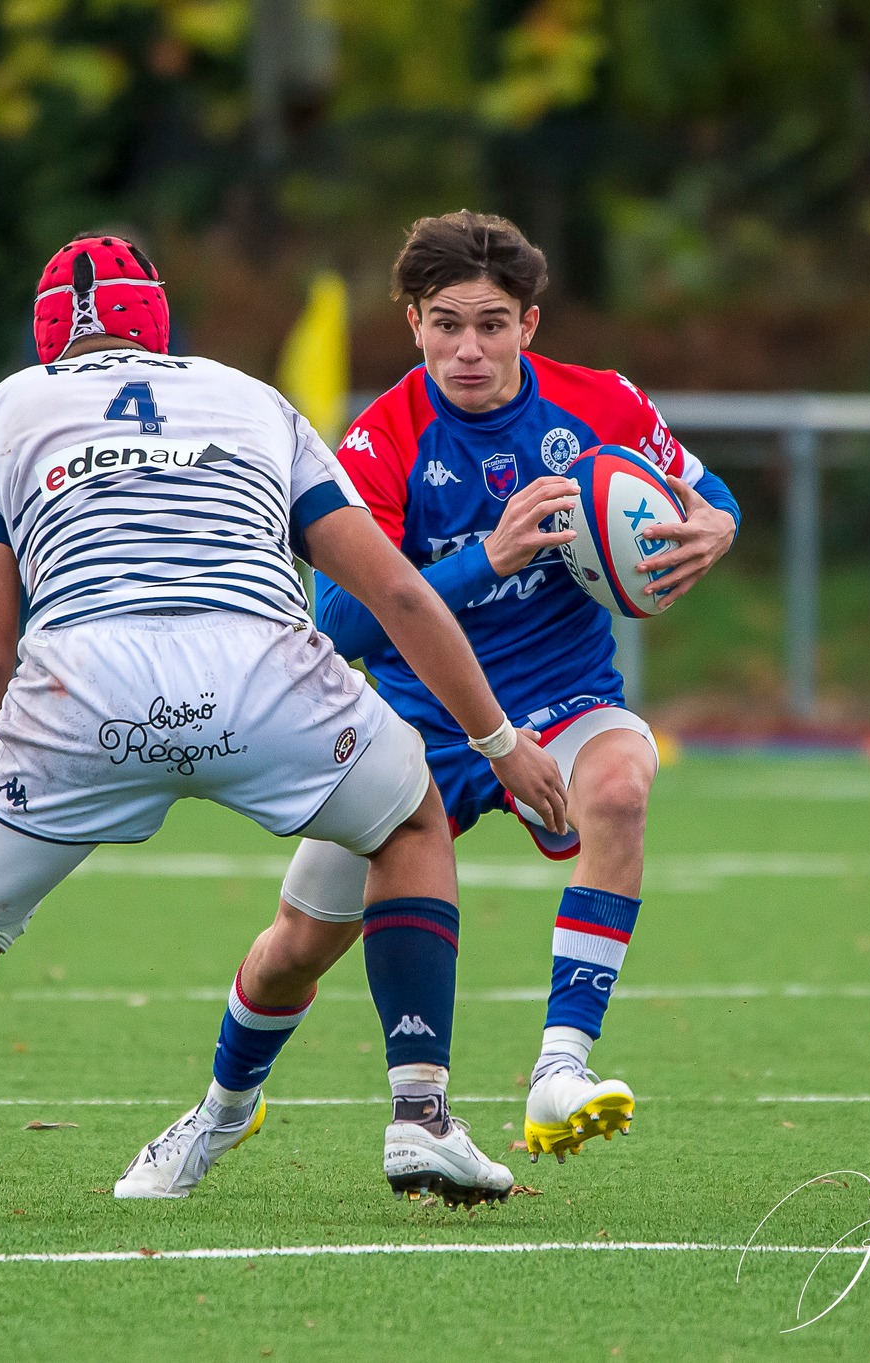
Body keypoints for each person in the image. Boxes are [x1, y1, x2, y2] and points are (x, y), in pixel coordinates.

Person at [0, 233, 573, 1227]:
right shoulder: (251, 399)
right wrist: (496, 741)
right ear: (157, 322)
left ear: (47, 337)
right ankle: (417, 1108)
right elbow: (390, 588)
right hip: (261, 680)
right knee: (411, 818)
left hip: (84, 698)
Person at [277, 210, 742, 1164]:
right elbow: (345, 622)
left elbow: (710, 493)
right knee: (295, 944)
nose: (468, 348)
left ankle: (561, 1068)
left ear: (530, 324)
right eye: (446, 324)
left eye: (492, 324)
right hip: (421, 723)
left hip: (567, 697)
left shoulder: (602, 405)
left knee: (619, 783)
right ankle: (220, 1105)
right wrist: (487, 559)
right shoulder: (378, 441)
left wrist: (717, 528)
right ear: (412, 323)